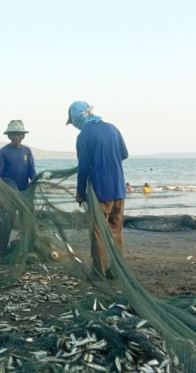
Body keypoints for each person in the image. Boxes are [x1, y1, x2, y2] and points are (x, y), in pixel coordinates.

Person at [67, 101, 128, 277]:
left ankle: (98, 271)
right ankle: (117, 270)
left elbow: (83, 168)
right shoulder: (112, 128)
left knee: (98, 231)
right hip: (118, 188)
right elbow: (124, 154)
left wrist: (80, 192)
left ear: (78, 118)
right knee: (116, 230)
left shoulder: (84, 135)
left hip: (100, 191)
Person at [0, 120, 36, 263]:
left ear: (23, 135)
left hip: (25, 194)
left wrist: (37, 183)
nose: (16, 137)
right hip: (8, 195)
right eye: (13, 134)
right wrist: (1, 198)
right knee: (5, 224)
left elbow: (32, 172)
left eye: (19, 134)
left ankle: (25, 249)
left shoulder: (27, 151)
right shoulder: (3, 152)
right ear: (9, 136)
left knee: (27, 224)